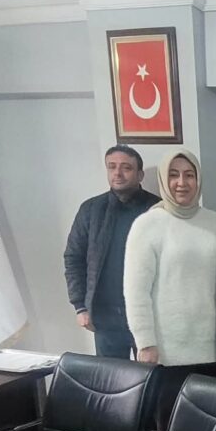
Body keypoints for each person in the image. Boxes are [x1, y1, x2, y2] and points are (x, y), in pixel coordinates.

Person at [123, 149, 216, 431]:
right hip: (168, 354)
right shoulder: (147, 225)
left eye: (189, 175)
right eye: (173, 174)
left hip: (215, 350)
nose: (182, 182)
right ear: (163, 179)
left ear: (199, 179)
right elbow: (135, 290)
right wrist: (145, 342)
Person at [64, 145, 159, 358]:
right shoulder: (91, 209)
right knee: (110, 376)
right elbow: (73, 258)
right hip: (105, 317)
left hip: (149, 316)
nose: (118, 173)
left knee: (154, 376)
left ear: (140, 174)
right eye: (112, 167)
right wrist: (80, 307)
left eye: (126, 167)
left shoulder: (157, 210)